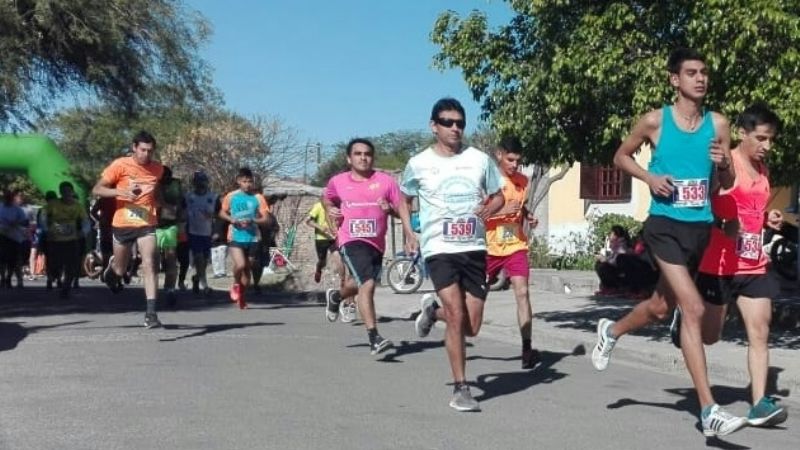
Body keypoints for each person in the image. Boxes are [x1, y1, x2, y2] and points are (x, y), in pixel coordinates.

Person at [590, 48, 745, 437]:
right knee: (691, 308)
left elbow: (724, 184)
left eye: (705, 72)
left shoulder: (719, 125)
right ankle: (709, 410)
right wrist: (648, 178)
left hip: (699, 229)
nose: (700, 78)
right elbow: (621, 156)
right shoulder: (655, 121)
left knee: (661, 307)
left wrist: (724, 164)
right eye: (692, 72)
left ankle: (611, 331)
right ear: (675, 80)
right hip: (663, 226)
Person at [679, 103, 787, 427]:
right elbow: (702, 205)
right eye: (762, 138)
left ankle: (759, 403)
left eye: (771, 140)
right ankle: (681, 323)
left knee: (760, 330)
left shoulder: (763, 170)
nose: (767, 147)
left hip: (753, 265)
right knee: (711, 336)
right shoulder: (726, 165)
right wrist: (719, 223)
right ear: (742, 133)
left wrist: (769, 218)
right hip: (719, 264)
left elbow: (752, 210)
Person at [403, 97, 504, 412]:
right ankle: (461, 388)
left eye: (460, 122)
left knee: (471, 325)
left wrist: (489, 209)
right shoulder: (418, 163)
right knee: (457, 315)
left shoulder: (479, 159)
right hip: (439, 248)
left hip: (474, 248)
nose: (455, 128)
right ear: (434, 126)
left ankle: (433, 312)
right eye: (448, 122)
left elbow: (498, 197)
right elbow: (404, 199)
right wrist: (410, 233)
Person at [322, 138, 413, 356]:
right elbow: (327, 199)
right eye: (358, 154)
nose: (363, 157)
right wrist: (330, 210)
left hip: (376, 243)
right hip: (350, 240)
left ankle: (335, 297)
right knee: (368, 284)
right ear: (349, 158)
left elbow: (400, 207)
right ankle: (374, 337)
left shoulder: (385, 181)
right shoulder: (338, 181)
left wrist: (394, 214)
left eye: (367, 154)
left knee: (358, 283)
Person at [92, 131, 165, 329]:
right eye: (142, 150)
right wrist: (120, 191)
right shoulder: (120, 165)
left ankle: (151, 313)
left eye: (150, 151)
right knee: (120, 269)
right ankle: (112, 271)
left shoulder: (157, 169)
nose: (146, 155)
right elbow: (97, 189)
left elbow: (156, 191)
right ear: (134, 147)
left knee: (150, 263)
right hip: (122, 223)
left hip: (146, 222)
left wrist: (159, 202)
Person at [481, 136, 542, 369]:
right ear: (499, 155)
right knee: (475, 301)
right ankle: (436, 312)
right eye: (510, 159)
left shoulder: (523, 181)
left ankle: (527, 350)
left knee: (522, 293)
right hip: (490, 247)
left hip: (515, 245)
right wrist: (502, 209)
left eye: (518, 160)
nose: (515, 165)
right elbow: (479, 213)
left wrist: (527, 215)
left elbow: (520, 204)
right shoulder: (489, 181)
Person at [219, 167, 269, 309]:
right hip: (235, 236)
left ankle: (242, 296)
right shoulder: (232, 196)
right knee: (240, 265)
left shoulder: (258, 198)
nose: (247, 184)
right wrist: (232, 220)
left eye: (250, 181)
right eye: (244, 181)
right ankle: (235, 283)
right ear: (238, 181)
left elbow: (266, 219)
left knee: (247, 272)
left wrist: (253, 220)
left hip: (252, 238)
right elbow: (222, 213)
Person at [42, 182, 89, 298]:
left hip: (72, 239)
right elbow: (42, 216)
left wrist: (83, 232)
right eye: (63, 191)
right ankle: (54, 276)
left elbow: (85, 221)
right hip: (55, 240)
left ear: (72, 192)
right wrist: (46, 230)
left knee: (71, 265)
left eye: (68, 191)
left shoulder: (78, 206)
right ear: (60, 193)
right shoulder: (53, 204)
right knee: (55, 264)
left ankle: (66, 288)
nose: (66, 194)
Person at [184, 171, 219, 295]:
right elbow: (183, 213)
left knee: (204, 261)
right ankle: (205, 286)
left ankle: (197, 278)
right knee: (198, 258)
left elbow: (219, 215)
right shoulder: (188, 197)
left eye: (203, 181)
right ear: (194, 183)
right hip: (193, 232)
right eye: (198, 181)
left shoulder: (213, 197)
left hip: (207, 233)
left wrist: (216, 230)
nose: (201, 184)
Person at [155, 166, 185, 307]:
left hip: (170, 225)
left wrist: (180, 220)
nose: (166, 179)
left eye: (168, 176)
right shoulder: (152, 184)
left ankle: (170, 288)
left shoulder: (176, 185)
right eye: (163, 177)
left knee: (171, 256)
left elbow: (181, 205)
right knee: (152, 258)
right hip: (153, 225)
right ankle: (152, 288)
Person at [0, 189, 29, 288]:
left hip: (14, 237)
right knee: (2, 259)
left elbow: (25, 222)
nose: (7, 199)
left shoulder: (17, 209)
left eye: (9, 197)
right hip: (2, 235)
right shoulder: (0, 207)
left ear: (12, 198)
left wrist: (16, 223)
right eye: (6, 197)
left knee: (12, 259)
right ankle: (3, 278)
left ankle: (8, 277)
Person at [594, 225, 631, 296]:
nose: (609, 236)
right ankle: (607, 287)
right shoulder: (616, 244)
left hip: (620, 270)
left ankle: (612, 287)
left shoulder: (621, 245)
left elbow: (619, 259)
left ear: (615, 235)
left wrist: (605, 260)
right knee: (599, 264)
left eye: (611, 234)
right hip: (616, 267)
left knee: (603, 267)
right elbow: (612, 257)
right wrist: (604, 259)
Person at [306, 199, 337, 283]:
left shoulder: (336, 205)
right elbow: (308, 221)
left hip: (334, 239)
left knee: (338, 257)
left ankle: (343, 281)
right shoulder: (318, 206)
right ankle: (319, 269)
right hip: (321, 239)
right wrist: (320, 228)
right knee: (323, 262)